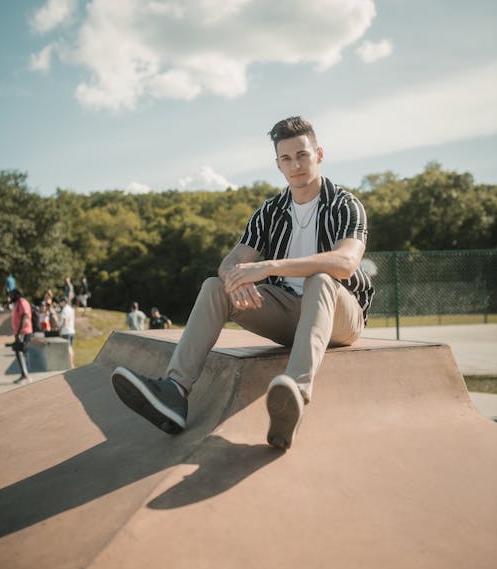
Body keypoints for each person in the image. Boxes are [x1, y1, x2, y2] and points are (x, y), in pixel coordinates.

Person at [112, 116, 375, 450]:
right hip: (286, 313)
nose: (296, 165)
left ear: (319, 154)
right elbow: (232, 261)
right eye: (286, 158)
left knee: (320, 280)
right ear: (277, 164)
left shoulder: (344, 204)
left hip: (339, 316)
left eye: (302, 155)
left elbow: (345, 263)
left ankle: (294, 395)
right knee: (213, 286)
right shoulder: (270, 211)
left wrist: (266, 268)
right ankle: (175, 391)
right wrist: (236, 279)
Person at [10, 289, 33, 385]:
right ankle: (24, 374)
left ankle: (26, 376)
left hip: (24, 332)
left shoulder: (23, 302)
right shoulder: (17, 303)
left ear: (17, 295)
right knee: (19, 353)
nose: (10, 297)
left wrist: (19, 332)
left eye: (12, 295)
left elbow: (24, 316)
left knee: (21, 353)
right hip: (20, 332)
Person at [58, 296, 75, 368]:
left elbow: (64, 322)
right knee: (70, 347)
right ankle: (71, 363)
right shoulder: (71, 309)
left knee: (68, 348)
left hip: (66, 331)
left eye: (60, 302)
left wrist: (59, 328)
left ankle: (70, 365)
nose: (60, 304)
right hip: (71, 331)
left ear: (64, 302)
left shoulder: (64, 310)